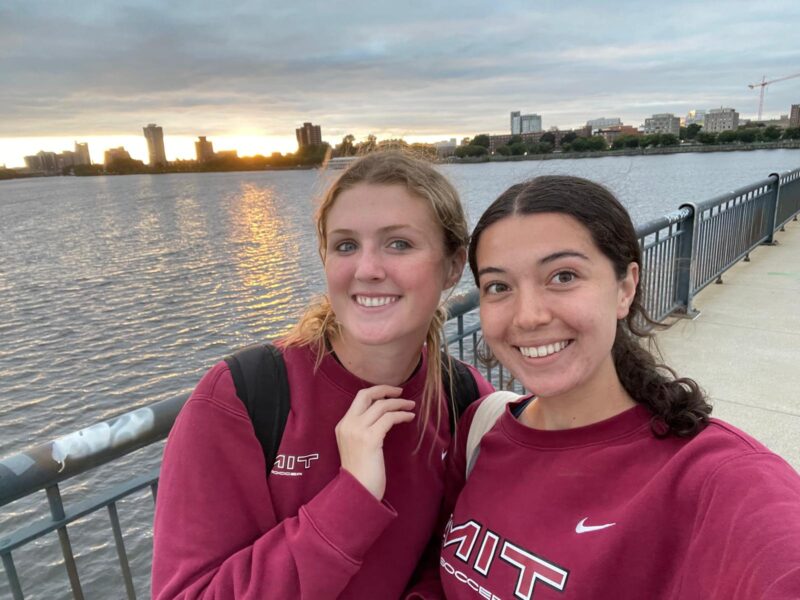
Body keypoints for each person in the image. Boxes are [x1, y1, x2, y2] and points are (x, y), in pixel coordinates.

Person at [426, 176, 800, 599]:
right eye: (499, 286)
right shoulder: (483, 427)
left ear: (625, 287)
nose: (527, 316)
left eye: (563, 276)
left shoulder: (721, 479)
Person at [151, 151, 494, 599]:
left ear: (452, 266)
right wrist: (352, 498)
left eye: (399, 244)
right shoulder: (243, 399)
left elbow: (460, 562)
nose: (367, 270)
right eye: (346, 245)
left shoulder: (463, 399)